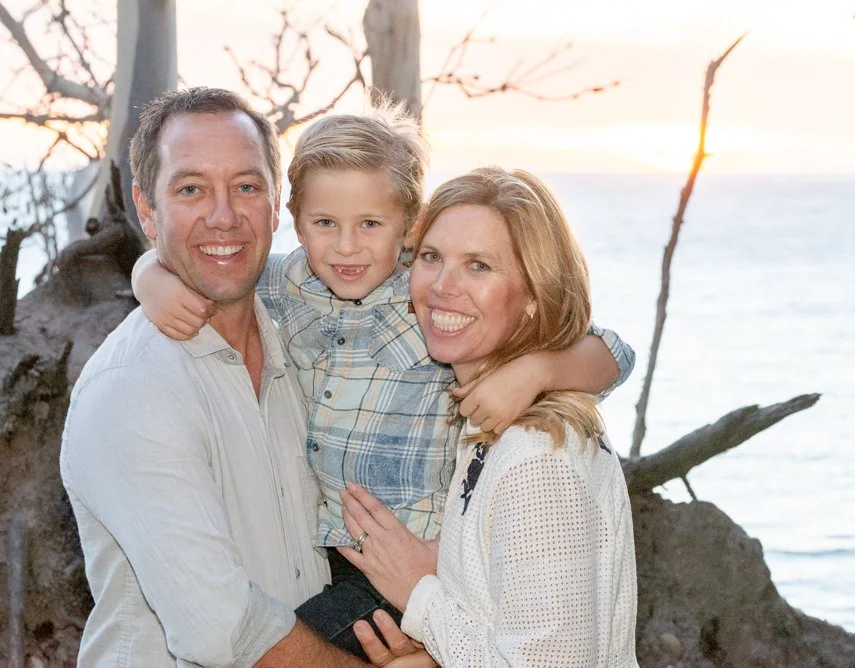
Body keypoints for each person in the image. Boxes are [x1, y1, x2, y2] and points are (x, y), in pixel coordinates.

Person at [132, 103, 636, 659]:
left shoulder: (422, 300)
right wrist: (148, 276)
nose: (347, 247)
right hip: (342, 556)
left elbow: (611, 350)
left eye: (370, 224)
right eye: (326, 224)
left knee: (279, 646)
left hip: (419, 555)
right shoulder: (295, 283)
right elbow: (220, 269)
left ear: (408, 227)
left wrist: (538, 370)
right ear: (295, 220)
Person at [60, 88, 429, 667]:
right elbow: (226, 635)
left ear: (277, 202)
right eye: (191, 189)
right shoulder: (132, 390)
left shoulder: (305, 333)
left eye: (246, 186)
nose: (224, 215)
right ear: (145, 209)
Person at [336, 167, 640, 666]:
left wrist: (419, 591)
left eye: (479, 266)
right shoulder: (487, 418)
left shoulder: (536, 455)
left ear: (533, 297)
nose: (442, 286)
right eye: (431, 258)